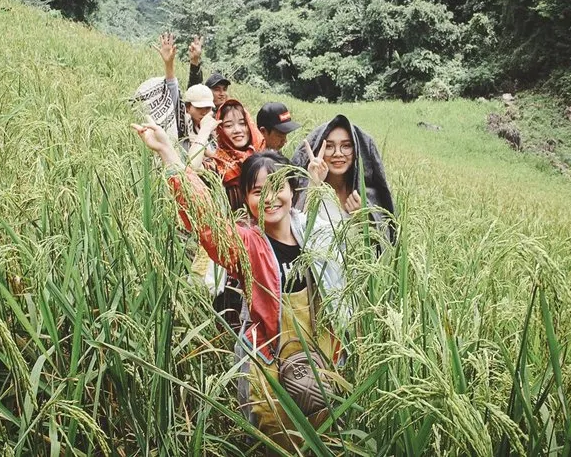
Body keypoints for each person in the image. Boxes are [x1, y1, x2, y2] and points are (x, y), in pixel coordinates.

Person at [131, 121, 349, 450]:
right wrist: (168, 152)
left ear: (292, 189)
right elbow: (205, 221)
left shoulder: (313, 231)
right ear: (246, 199)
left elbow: (346, 273)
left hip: (317, 358)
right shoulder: (246, 244)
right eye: (259, 191)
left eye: (278, 187)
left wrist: (318, 184)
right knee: (275, 440)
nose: (271, 198)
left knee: (320, 435)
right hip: (269, 366)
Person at [291, 114, 396, 246]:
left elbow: (385, 242)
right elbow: (298, 234)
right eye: (329, 146)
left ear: (357, 150)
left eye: (346, 146)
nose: (338, 153)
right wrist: (314, 184)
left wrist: (364, 218)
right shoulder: (310, 191)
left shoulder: (367, 196)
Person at [213, 99, 266, 210]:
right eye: (228, 125)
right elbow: (187, 173)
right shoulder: (216, 165)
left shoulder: (264, 159)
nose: (237, 130)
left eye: (242, 123)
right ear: (220, 130)